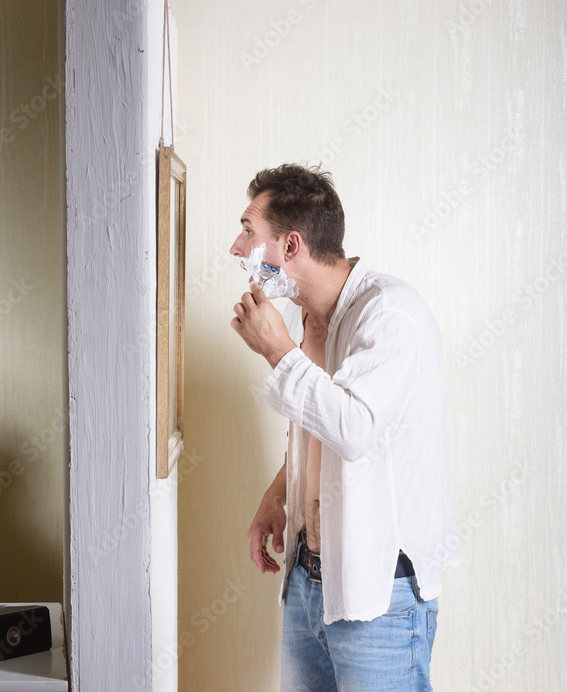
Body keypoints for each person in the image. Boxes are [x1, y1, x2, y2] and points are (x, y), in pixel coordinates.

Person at [230, 164, 458, 690]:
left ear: (291, 245)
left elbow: (354, 428)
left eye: (248, 231)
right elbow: (319, 426)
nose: (236, 248)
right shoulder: (304, 317)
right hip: (308, 579)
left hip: (380, 592)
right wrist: (277, 495)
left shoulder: (389, 314)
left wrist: (278, 353)